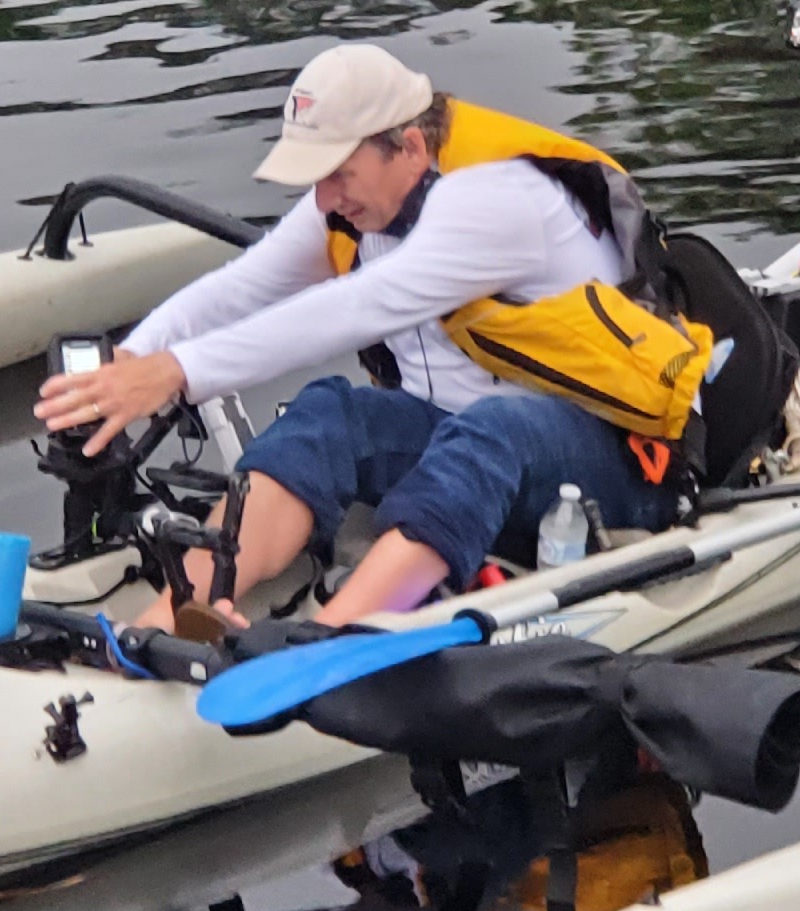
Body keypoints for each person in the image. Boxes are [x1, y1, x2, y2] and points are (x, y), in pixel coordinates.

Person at [35, 43, 705, 627]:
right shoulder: (364, 193)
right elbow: (242, 288)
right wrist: (129, 360)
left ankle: (329, 639)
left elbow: (356, 307)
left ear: (408, 146)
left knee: (495, 428)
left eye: (337, 174)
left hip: (617, 463)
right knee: (327, 411)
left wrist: (178, 372)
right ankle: (177, 615)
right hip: (463, 442)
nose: (325, 200)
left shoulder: (493, 201)